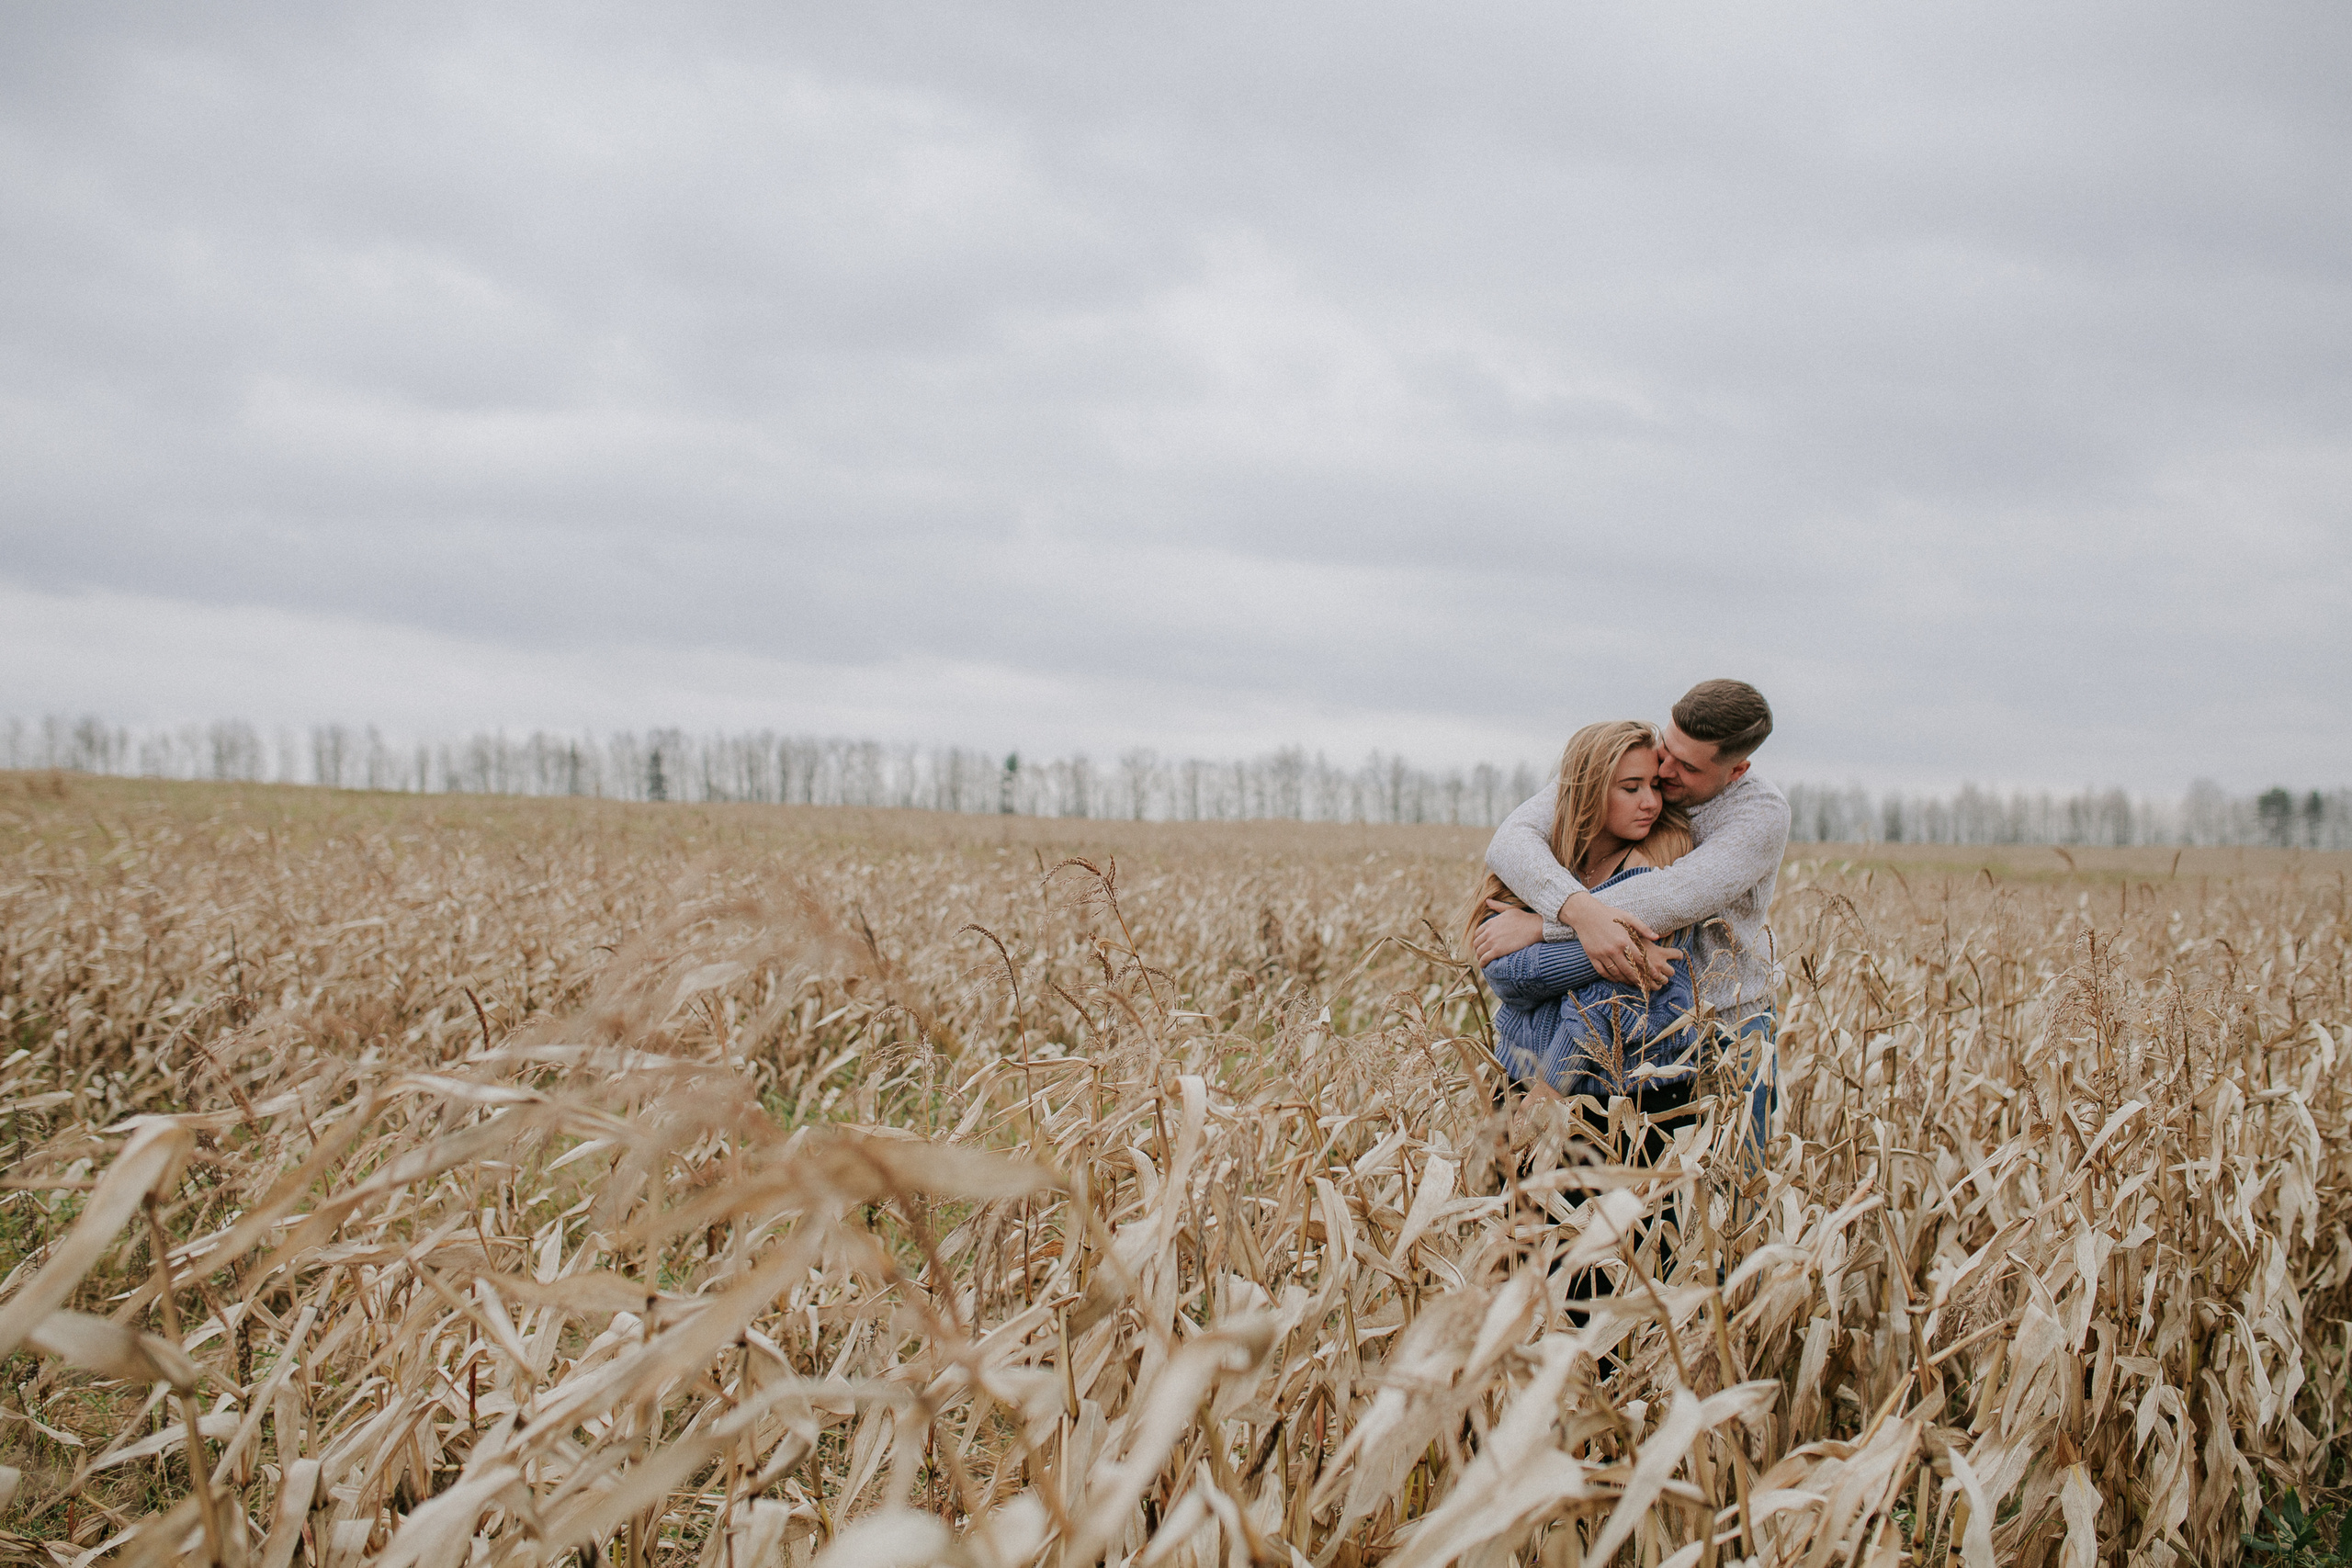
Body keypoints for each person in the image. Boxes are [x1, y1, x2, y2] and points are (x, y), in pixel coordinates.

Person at [1472, 679, 1790, 1157]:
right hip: (1622, 1036)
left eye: (1687, 766)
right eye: (1668, 747)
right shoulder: (1635, 764)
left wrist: (1541, 924)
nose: (1665, 771)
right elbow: (1511, 841)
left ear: (1736, 770)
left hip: (1723, 1029)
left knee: (1730, 1205)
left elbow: (1669, 898)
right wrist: (1576, 912)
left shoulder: (1759, 814)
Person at [1467, 719, 1701, 1141]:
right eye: (1631, 788)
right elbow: (1504, 974)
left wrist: (1553, 1085)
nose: (1650, 802)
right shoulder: (1541, 865)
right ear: (1589, 790)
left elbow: (1613, 994)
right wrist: (1619, 948)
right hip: (1516, 1084)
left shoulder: (1664, 859)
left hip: (1629, 1104)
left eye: (1655, 786)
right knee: (1512, 1209)